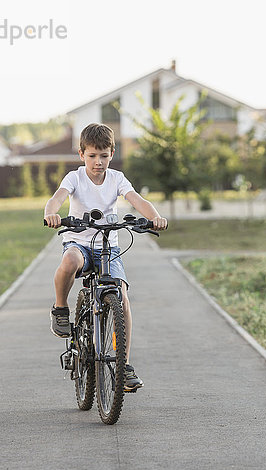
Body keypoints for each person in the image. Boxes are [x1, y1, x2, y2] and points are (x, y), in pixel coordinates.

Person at [44, 123, 167, 392]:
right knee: (70, 262)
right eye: (91, 156)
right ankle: (61, 308)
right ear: (81, 154)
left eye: (103, 155)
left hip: (107, 247)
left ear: (112, 152)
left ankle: (123, 365)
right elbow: (56, 199)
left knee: (121, 296)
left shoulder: (117, 179)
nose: (98, 162)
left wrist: (154, 217)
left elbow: (137, 200)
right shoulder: (75, 178)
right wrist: (51, 213)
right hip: (79, 242)